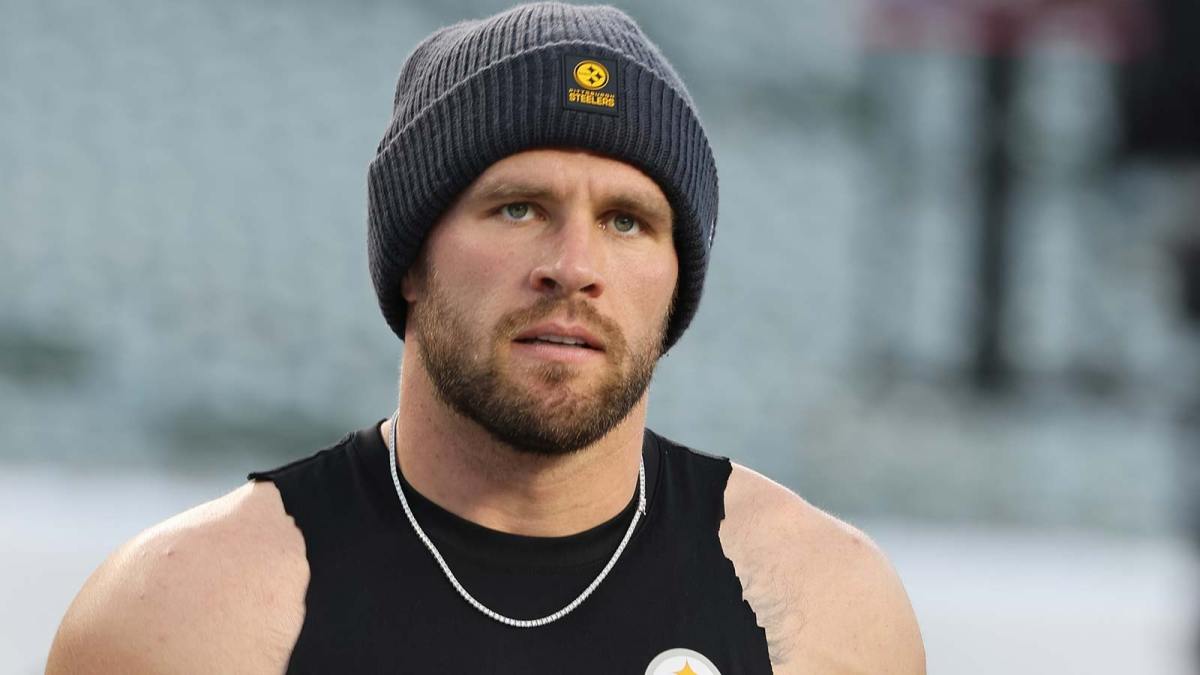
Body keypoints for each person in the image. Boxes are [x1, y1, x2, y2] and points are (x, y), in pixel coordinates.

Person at [45, 3, 925, 673]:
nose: (574, 265)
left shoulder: (824, 610)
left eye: (627, 221)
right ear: (411, 261)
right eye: (518, 207)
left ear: (677, 279)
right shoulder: (192, 615)